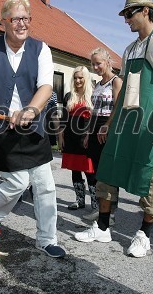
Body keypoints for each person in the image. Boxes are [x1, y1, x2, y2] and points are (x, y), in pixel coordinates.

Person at [74, 0, 153, 259]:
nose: (126, 20)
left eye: (130, 13)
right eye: (124, 15)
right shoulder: (130, 48)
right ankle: (102, 227)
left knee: (150, 176)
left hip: (150, 122)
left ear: (146, 11)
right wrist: (109, 123)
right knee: (109, 170)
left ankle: (144, 234)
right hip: (125, 122)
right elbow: (124, 92)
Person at [0, 0, 65, 258]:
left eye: (26, 18)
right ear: (4, 22)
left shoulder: (41, 48)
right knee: (18, 182)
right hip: (2, 129)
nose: (22, 24)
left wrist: (31, 110)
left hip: (34, 130)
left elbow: (45, 86)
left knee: (45, 186)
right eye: (16, 19)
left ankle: (46, 239)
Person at [81, 48, 123, 221]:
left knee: (109, 172)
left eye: (98, 63)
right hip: (94, 129)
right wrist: (86, 133)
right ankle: (101, 209)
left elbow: (118, 107)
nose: (95, 67)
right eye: (93, 63)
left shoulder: (116, 81)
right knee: (97, 171)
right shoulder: (98, 84)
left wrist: (107, 125)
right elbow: (93, 111)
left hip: (108, 128)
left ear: (107, 62)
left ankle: (111, 213)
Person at [58, 66, 94, 210]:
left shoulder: (92, 95)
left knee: (90, 171)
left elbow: (95, 119)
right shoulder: (68, 96)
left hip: (85, 137)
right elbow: (63, 119)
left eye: (81, 77)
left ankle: (96, 204)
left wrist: (89, 135)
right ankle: (79, 201)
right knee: (75, 170)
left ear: (86, 78)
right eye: (75, 77)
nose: (78, 80)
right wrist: (60, 136)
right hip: (70, 137)